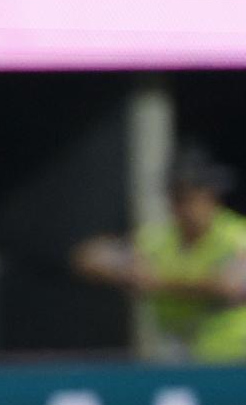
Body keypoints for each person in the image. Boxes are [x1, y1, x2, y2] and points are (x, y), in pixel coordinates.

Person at [73, 146, 246, 362]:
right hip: (182, 352)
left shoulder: (237, 235)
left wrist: (157, 282)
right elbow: (88, 257)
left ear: (211, 197)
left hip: (234, 356)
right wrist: (125, 271)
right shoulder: (159, 239)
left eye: (192, 198)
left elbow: (230, 287)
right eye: (178, 199)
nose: (186, 209)